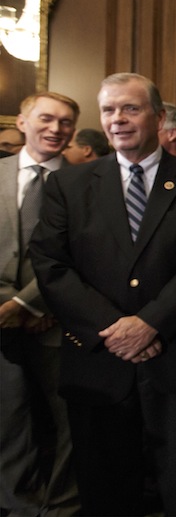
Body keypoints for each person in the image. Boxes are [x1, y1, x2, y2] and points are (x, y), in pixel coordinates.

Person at [29, 73, 176, 516]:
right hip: (99, 365)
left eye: (130, 109)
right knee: (105, 494)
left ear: (158, 117)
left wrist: (150, 323)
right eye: (109, 110)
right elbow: (51, 265)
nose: (117, 119)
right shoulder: (68, 185)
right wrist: (114, 329)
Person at [1, 92, 80, 516]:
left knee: (67, 422)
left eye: (66, 122)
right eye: (47, 119)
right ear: (22, 121)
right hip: (0, 323)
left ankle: (60, 507)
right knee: (8, 421)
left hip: (55, 320)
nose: (56, 129)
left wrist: (29, 303)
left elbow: (83, 253)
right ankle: (18, 505)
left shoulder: (87, 182)